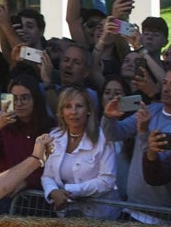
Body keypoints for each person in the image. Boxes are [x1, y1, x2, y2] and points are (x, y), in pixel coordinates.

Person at [101, 62, 171, 218]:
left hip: (161, 216)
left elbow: (161, 166)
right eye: (165, 83)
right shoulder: (152, 109)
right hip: (132, 207)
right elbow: (115, 134)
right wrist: (109, 117)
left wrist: (143, 132)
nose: (166, 89)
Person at [42, 86, 118, 218]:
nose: (73, 112)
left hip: (100, 217)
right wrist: (53, 191)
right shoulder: (53, 137)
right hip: (64, 215)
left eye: (79, 106)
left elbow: (107, 181)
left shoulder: (103, 138)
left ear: (88, 110)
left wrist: (68, 191)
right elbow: (47, 175)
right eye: (68, 106)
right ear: (61, 112)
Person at [0, 75, 49, 199]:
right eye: (14, 98)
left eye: (24, 98)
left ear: (35, 99)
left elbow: (52, 169)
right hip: (6, 195)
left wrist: (28, 182)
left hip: (39, 198)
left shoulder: (50, 127)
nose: (19, 103)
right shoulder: (3, 127)